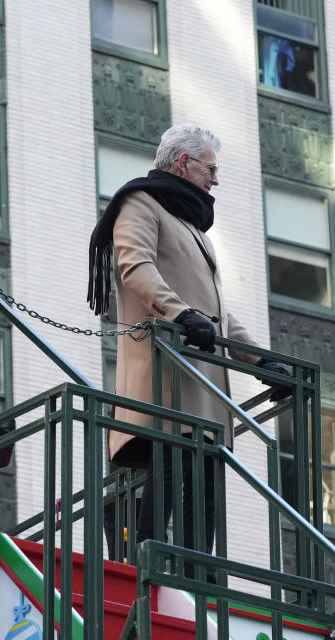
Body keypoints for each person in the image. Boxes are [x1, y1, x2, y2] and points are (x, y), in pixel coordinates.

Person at [87, 124, 290, 558]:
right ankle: (142, 569)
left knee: (204, 491)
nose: (215, 179)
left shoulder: (191, 225)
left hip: (203, 389)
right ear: (184, 163)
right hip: (165, 380)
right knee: (166, 476)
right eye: (211, 168)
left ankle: (197, 585)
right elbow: (135, 267)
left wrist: (261, 364)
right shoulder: (142, 203)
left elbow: (216, 311)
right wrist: (180, 314)